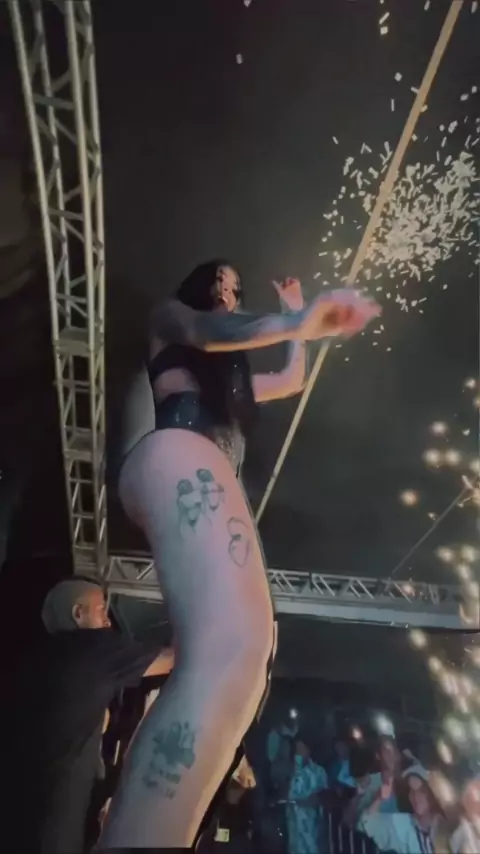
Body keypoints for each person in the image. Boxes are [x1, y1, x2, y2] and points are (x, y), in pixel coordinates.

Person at [98, 260, 381, 848]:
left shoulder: (232, 378)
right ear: (198, 287)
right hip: (177, 454)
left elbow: (292, 379)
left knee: (245, 652)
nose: (229, 294)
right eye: (219, 284)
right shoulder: (173, 319)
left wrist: (298, 319)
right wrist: (297, 320)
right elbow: (208, 333)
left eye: (235, 288)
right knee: (233, 647)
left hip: (199, 470)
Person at [3, 578, 174, 854]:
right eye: (101, 609)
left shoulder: (32, 661)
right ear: (78, 614)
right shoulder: (94, 647)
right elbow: (173, 659)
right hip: (53, 826)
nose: (108, 620)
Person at [358, 765, 451, 853]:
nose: (416, 797)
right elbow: (366, 826)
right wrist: (379, 799)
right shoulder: (403, 824)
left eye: (421, 790)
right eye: (411, 791)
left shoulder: (447, 825)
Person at [286, 738, 328, 854]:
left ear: (308, 750)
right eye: (297, 749)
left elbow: (324, 797)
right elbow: (288, 793)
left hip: (312, 825)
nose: (299, 752)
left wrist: (313, 800)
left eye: (301, 749)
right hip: (294, 824)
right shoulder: (290, 771)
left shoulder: (319, 771)